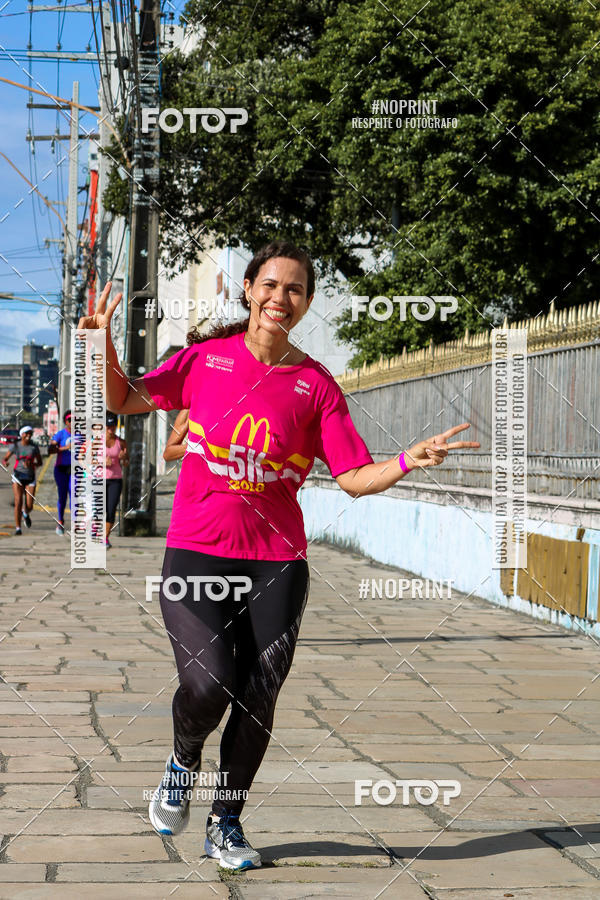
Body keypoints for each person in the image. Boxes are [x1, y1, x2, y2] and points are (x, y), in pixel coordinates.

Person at [78, 241, 480, 872]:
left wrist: (407, 460)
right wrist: (98, 344)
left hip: (277, 563)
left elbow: (351, 476)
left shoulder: (315, 384)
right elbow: (124, 399)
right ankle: (182, 763)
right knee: (208, 684)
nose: (279, 299)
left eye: (294, 290)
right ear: (247, 290)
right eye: (270, 285)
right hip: (198, 553)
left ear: (307, 303)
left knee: (259, 695)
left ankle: (226, 823)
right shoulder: (204, 360)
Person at [3, 425, 42, 534]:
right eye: (27, 433)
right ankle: (18, 528)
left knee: (30, 506)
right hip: (18, 476)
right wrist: (5, 463)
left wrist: (32, 463)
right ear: (22, 435)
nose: (29, 435)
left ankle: (25, 513)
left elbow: (40, 462)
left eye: (30, 433)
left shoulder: (34, 447)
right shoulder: (15, 446)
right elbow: (5, 458)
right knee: (18, 502)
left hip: (30, 477)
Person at [104, 413, 129, 548]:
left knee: (111, 509)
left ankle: (105, 538)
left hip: (115, 480)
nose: (110, 429)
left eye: (113, 426)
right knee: (98, 509)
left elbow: (126, 463)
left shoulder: (121, 442)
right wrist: (101, 462)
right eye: (108, 426)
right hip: (99, 480)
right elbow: (85, 459)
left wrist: (124, 457)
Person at [48, 410, 72, 536]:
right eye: (70, 420)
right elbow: (51, 450)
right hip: (61, 469)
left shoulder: (81, 434)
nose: (72, 422)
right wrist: (65, 448)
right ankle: (60, 521)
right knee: (62, 497)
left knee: (74, 496)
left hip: (75, 469)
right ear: (65, 422)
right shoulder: (60, 434)